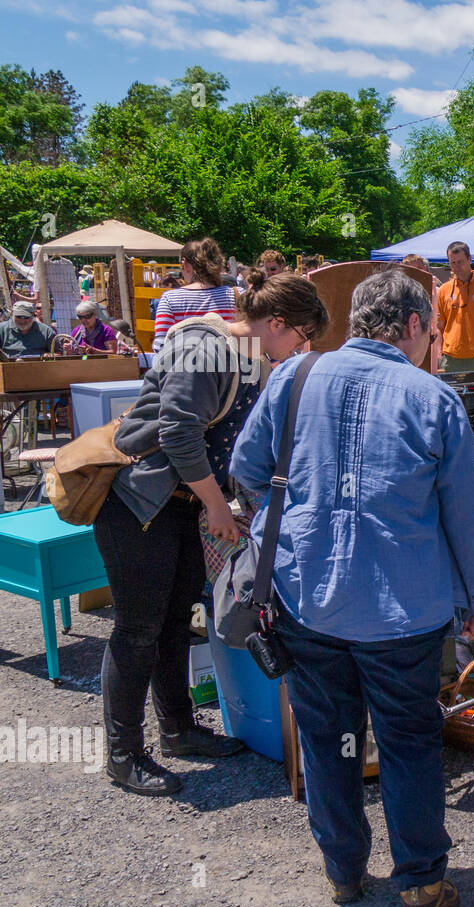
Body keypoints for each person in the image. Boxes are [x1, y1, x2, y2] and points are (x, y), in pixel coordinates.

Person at [230, 270, 474, 907]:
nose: (431, 342)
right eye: (432, 332)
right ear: (412, 325)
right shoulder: (434, 400)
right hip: (401, 613)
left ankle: (344, 871)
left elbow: (245, 468)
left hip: (307, 600)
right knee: (409, 747)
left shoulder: (292, 377)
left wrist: (295, 523)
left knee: (328, 741)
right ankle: (421, 890)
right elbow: (466, 519)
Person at [97, 270, 329, 798]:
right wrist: (218, 505)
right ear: (276, 323)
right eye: (301, 336)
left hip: (178, 505)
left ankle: (178, 729)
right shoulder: (208, 347)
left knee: (177, 621)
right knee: (137, 630)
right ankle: (122, 753)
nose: (301, 348)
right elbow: (178, 430)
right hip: (141, 504)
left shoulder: (246, 354)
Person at [152, 238, 236, 348]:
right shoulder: (235, 295)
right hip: (228, 364)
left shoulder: (170, 299)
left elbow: (160, 346)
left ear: (185, 265)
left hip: (184, 364)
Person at [434, 241, 474, 375]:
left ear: (469, 259)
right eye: (453, 263)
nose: (457, 267)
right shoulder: (444, 290)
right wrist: (438, 352)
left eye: (460, 262)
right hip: (451, 359)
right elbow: (439, 327)